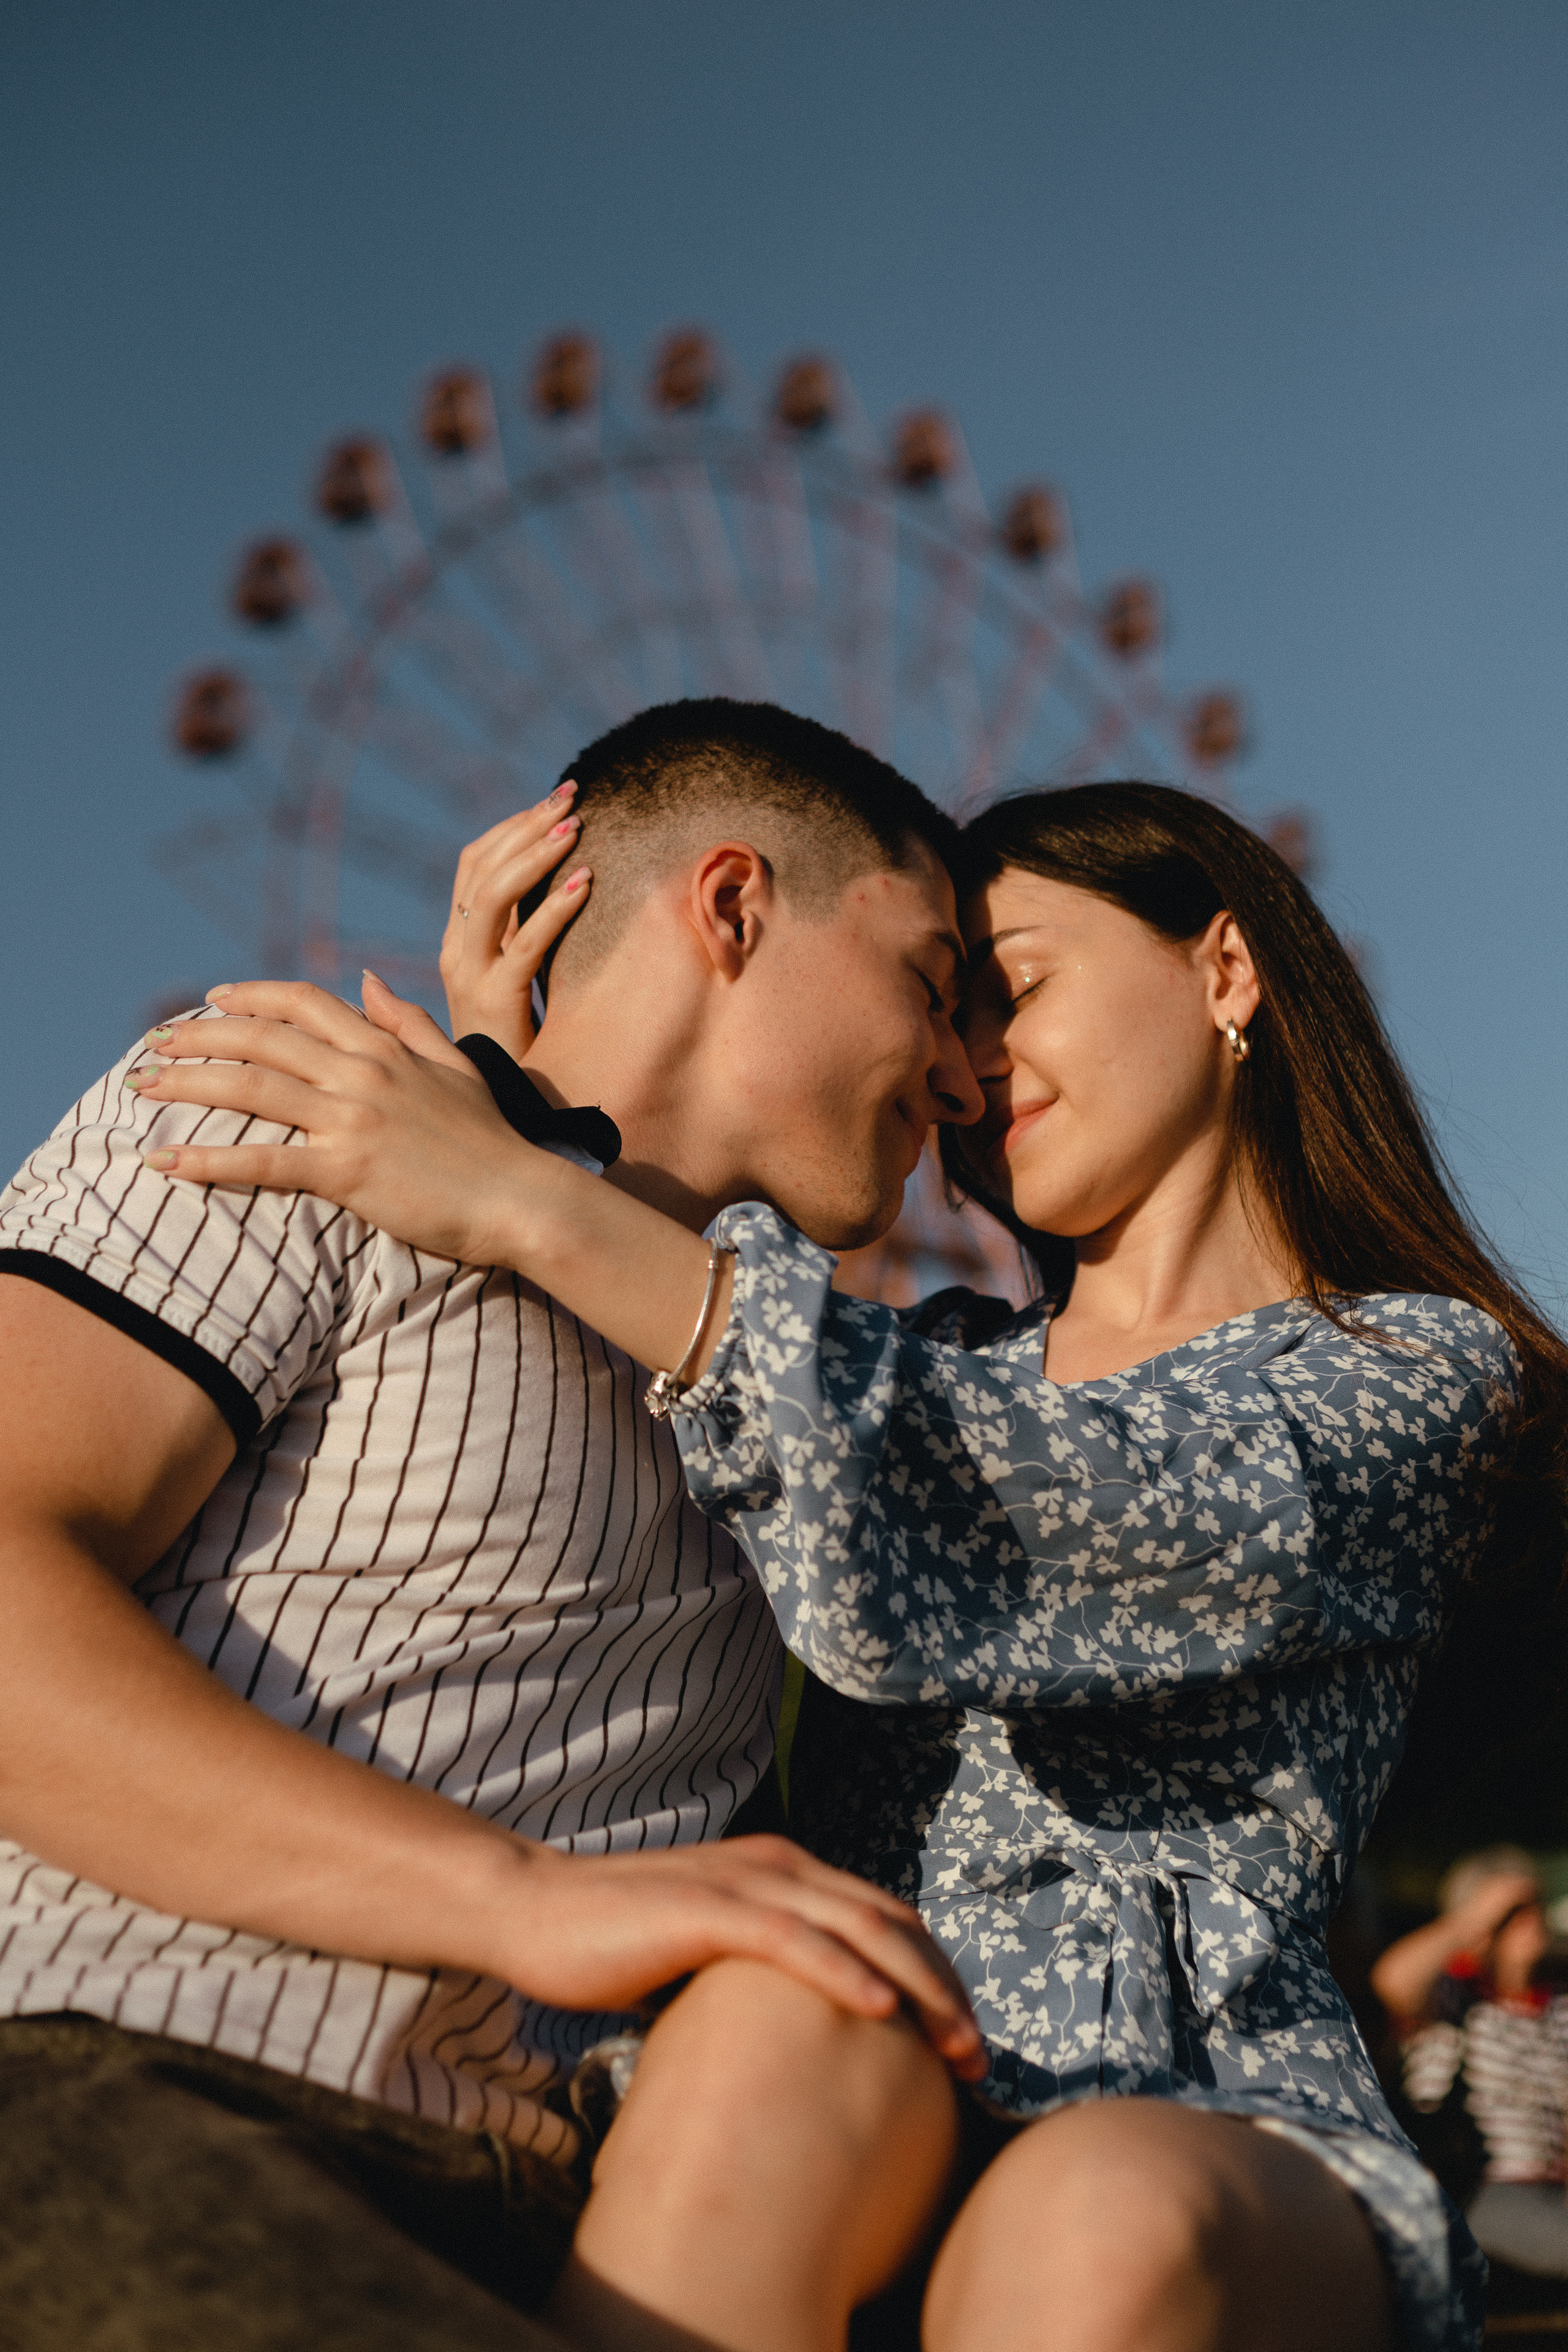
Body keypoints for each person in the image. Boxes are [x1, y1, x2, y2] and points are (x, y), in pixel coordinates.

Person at [137, 779, 1568, 2352]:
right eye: (941, 1023)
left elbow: (988, 1506)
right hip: (841, 2023)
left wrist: (520, 1186)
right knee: (757, 2058)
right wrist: (521, 1082)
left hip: (1199, 2084)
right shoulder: (906, 1355)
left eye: (1009, 990)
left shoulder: (1411, 1369)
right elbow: (726, 1370)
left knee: (1095, 2221)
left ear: (1224, 970)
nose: (964, 1072)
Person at [0, 699, 990, 2352]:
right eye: (931, 981)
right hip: (136, 2079)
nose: (961, 1071)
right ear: (732, 906)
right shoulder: (297, 1112)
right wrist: (520, 1898)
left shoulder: (822, 1410)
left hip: (575, 2217)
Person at [1375, 1850, 1568, 2279]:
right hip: (1480, 2191)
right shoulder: (1450, 1998)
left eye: (1535, 1905)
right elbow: (1393, 1981)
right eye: (1515, 1912)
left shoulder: (1558, 2006)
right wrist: (1473, 1918)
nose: (1533, 1919)